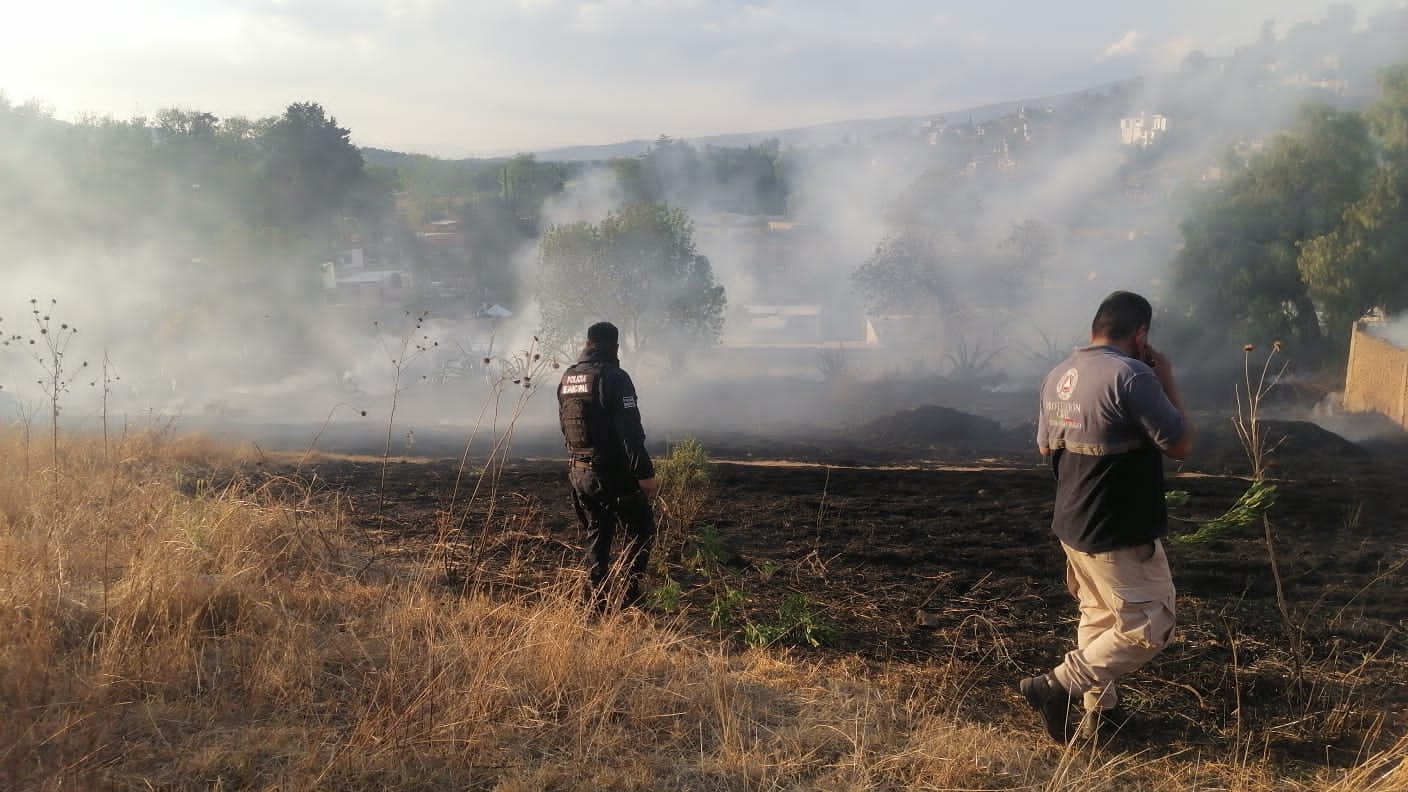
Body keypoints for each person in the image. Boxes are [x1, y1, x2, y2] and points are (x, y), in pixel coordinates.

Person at [1021, 290, 1194, 743]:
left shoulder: (1058, 374)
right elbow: (1179, 445)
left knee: (1099, 617)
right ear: (1141, 335)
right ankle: (1055, 686)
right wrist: (1168, 377)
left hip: (1072, 523)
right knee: (1150, 625)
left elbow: (1044, 447)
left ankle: (1104, 717)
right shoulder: (1133, 375)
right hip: (1117, 528)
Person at [557, 321, 660, 613]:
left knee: (597, 533)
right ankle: (629, 598)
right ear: (615, 347)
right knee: (641, 532)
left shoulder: (568, 378)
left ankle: (597, 603)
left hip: (579, 471)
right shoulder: (615, 378)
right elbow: (631, 433)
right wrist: (645, 474)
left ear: (587, 343)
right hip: (611, 473)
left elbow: (566, 428)